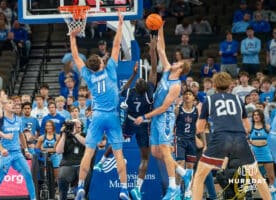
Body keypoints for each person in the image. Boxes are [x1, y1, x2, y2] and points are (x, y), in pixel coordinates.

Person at [70, 12, 130, 200]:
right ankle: (123, 190)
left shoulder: (88, 76)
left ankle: (80, 187)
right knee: (119, 154)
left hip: (96, 116)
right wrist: (120, 25)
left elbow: (75, 57)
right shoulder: (111, 69)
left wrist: (72, 37)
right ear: (102, 64)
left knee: (88, 152)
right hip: (112, 116)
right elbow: (116, 45)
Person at [93, 35, 158, 200]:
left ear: (137, 86)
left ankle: (101, 162)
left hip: (130, 122)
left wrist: (132, 75)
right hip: (143, 123)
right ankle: (137, 188)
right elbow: (154, 70)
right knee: (145, 157)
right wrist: (153, 50)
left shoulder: (130, 91)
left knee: (116, 142)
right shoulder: (149, 94)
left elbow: (124, 88)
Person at [134, 24, 193, 200]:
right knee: (155, 153)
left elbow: (163, 108)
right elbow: (161, 49)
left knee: (166, 152)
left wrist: (144, 116)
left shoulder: (176, 87)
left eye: (178, 63)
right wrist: (160, 28)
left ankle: (174, 189)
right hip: (156, 117)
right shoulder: (167, 70)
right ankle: (184, 173)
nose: (175, 62)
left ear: (181, 69)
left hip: (164, 118)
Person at [192, 72, 272, 200]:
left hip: (221, 138)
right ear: (230, 85)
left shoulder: (209, 100)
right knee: (256, 175)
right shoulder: (238, 99)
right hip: (239, 138)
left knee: (199, 176)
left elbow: (199, 128)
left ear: (214, 85)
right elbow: (248, 128)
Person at [0, 97, 36, 200]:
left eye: (14, 103)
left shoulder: (19, 119)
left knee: (28, 174)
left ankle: (33, 198)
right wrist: (2, 149)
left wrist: (26, 150)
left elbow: (21, 135)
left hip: (17, 153)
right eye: (10, 103)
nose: (14, 105)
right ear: (4, 106)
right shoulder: (0, 120)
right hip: (5, 154)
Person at [174, 89, 199, 200]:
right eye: (186, 94)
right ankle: (177, 191)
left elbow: (200, 127)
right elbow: (171, 124)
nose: (187, 96)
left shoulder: (196, 111)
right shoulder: (178, 110)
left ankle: (188, 192)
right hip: (180, 139)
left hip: (192, 140)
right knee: (179, 164)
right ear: (183, 97)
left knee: (190, 167)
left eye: (190, 94)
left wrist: (203, 141)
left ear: (194, 98)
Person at [55, 119, 86, 200]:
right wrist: (64, 135)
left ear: (81, 127)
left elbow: (87, 143)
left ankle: (81, 195)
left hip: (81, 164)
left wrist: (75, 134)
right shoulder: (65, 136)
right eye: (73, 126)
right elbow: (58, 151)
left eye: (77, 127)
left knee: (86, 175)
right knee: (62, 176)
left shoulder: (85, 135)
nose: (75, 128)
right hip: (67, 163)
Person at [249, 109, 276, 196]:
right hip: (255, 154)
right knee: (255, 177)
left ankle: (273, 196)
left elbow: (272, 139)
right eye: (254, 115)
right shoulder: (250, 127)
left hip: (266, 153)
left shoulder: (267, 127)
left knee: (271, 176)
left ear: (261, 116)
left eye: (258, 115)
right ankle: (260, 195)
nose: (256, 116)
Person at [36, 120, 61, 185]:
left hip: (55, 156)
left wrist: (44, 149)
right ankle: (44, 184)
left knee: (57, 174)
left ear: (53, 127)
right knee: (43, 171)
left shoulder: (57, 137)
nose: (48, 127)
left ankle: (58, 187)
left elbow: (57, 149)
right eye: (47, 126)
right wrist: (51, 149)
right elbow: (37, 149)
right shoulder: (41, 137)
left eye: (50, 126)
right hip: (45, 157)